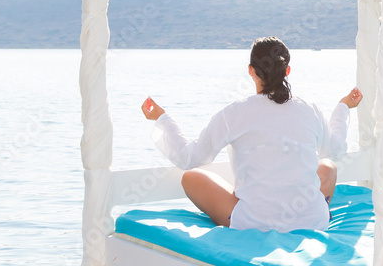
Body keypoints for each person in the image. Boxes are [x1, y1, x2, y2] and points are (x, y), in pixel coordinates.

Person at [141, 36, 362, 233]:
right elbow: (336, 150)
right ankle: (318, 209)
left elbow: (189, 158)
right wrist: (343, 107)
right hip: (313, 220)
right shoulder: (309, 109)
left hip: (253, 222)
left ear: (251, 71)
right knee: (328, 165)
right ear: (287, 71)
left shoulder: (234, 113)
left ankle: (253, 208)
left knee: (191, 177)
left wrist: (162, 119)